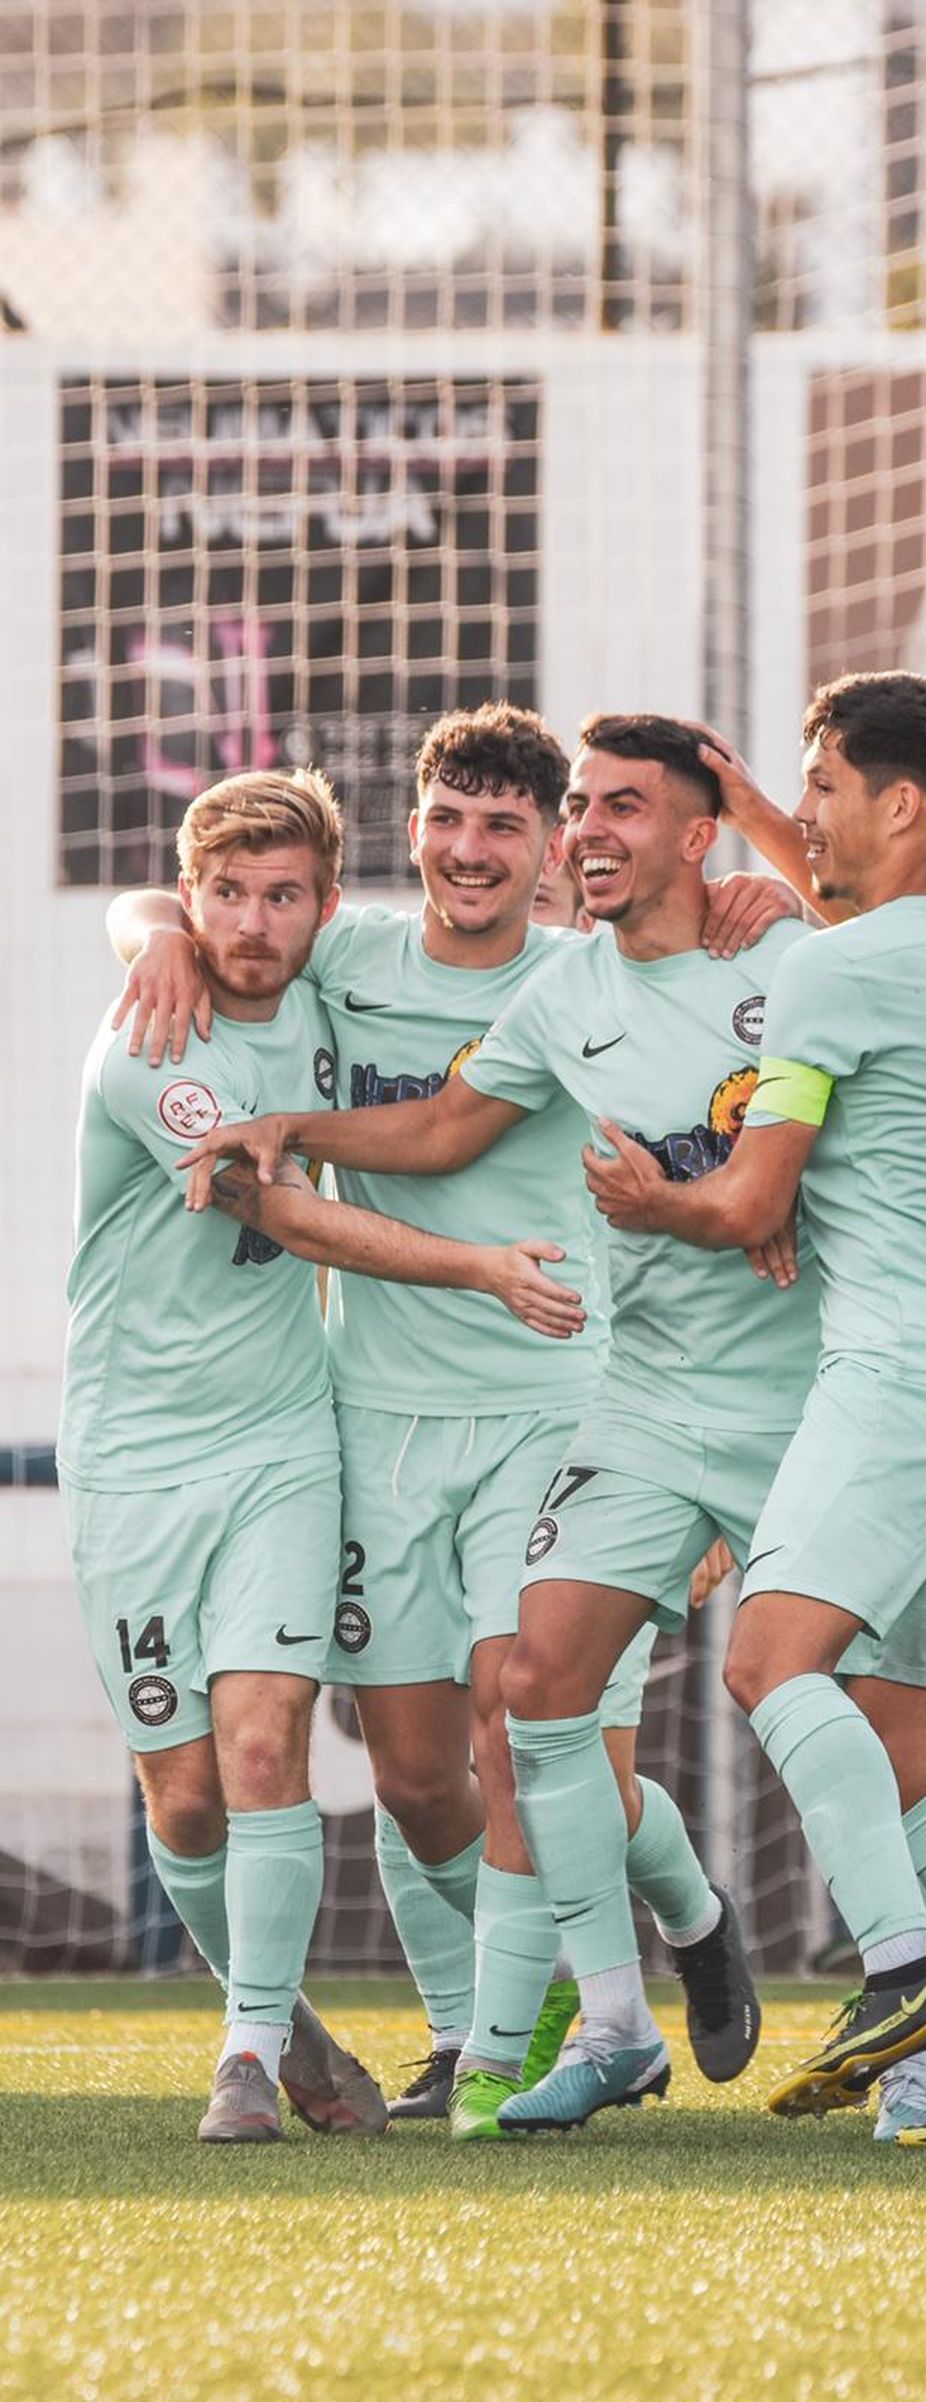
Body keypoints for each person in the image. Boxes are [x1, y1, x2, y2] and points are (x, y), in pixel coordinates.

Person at [110, 704, 789, 2138]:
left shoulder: (585, 975)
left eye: (505, 826)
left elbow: (747, 1064)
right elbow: (207, 911)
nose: (471, 850)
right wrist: (154, 933)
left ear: (552, 849)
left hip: (558, 1397)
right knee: (416, 1770)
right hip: (374, 1403)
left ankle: (486, 2044)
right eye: (448, 820)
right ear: (413, 830)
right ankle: (684, 1899)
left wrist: (762, 889)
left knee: (519, 1724)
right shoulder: (342, 958)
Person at [587, 673, 926, 2150]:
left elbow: (750, 1198)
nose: (805, 807)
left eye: (826, 782)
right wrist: (779, 831)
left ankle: (901, 1964)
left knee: (770, 1662)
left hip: (898, 1371)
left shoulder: (830, 976)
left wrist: (666, 1199)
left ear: (902, 804)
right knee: (903, 1749)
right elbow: (894, 960)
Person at [65, 768, 573, 2143]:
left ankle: (245, 2056)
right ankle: (276, 2010)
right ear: (194, 895)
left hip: (291, 1434)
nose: (251, 920)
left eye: (282, 894)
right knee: (183, 1796)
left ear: (327, 909)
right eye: (223, 893)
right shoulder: (152, 1041)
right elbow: (279, 1212)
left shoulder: (336, 1001)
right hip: (133, 1454)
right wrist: (477, 1264)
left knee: (264, 1740)